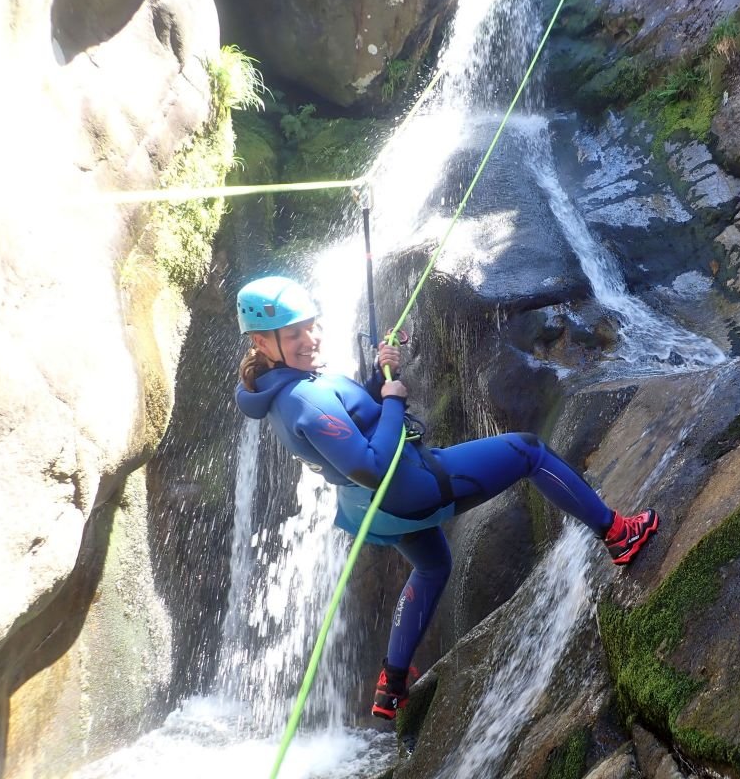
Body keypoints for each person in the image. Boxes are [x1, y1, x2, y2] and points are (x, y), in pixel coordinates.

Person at [233, 275, 659, 720]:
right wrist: (393, 400)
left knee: (433, 566)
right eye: (294, 334)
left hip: (366, 509)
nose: (311, 338)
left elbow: (349, 421)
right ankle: (619, 535)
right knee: (529, 451)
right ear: (262, 342)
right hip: (402, 488)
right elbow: (373, 466)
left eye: (311, 325)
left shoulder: (276, 389)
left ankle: (392, 684)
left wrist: (381, 375)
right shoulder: (304, 398)